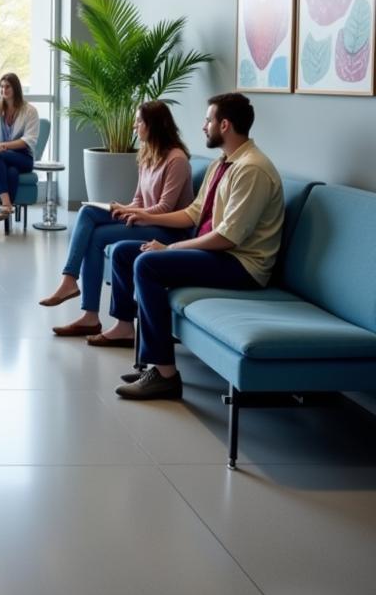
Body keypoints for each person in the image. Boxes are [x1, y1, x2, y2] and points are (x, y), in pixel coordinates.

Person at [106, 92, 284, 400]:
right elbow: (194, 213)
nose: (203, 127)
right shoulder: (224, 164)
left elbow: (228, 237)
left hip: (241, 265)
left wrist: (174, 249)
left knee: (147, 264)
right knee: (125, 252)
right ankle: (146, 354)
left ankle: (165, 374)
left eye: (208, 120)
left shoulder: (251, 169)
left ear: (224, 125)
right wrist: (145, 217)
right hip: (217, 253)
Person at [42, 101, 195, 341]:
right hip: (146, 219)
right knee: (88, 213)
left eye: (139, 122)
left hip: (168, 231)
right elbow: (138, 199)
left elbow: (165, 207)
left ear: (153, 125)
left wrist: (136, 214)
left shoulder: (177, 160)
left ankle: (84, 305)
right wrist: (122, 208)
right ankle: (78, 294)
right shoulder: (147, 154)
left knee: (97, 236)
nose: (134, 126)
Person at [0, 72, 40, 222]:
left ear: (16, 89)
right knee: (11, 172)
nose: (3, 90)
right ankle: (7, 206)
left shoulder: (30, 111)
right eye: (1, 87)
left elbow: (28, 141)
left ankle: (5, 206)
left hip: (22, 157)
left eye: (7, 87)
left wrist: (1, 146)